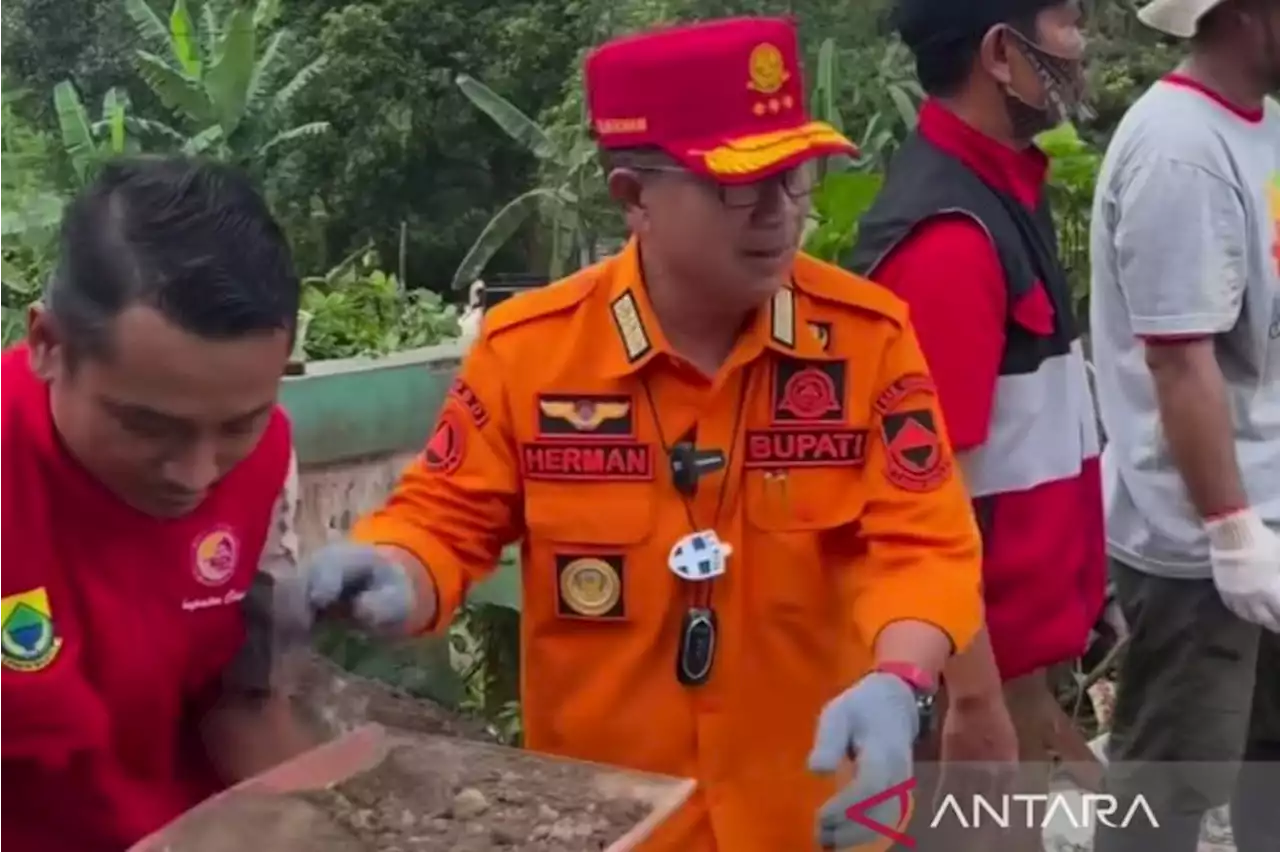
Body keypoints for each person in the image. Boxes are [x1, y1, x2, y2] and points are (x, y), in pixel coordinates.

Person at [288, 16, 984, 852]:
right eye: (739, 185)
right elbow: (444, 518)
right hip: (614, 825)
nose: (778, 214)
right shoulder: (533, 354)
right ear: (634, 195)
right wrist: (398, 569)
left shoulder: (865, 342)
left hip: (816, 815)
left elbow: (922, 543)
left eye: (795, 176)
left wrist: (899, 680)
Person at [0, 155, 313, 850]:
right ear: (48, 345)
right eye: (147, 425)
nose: (197, 474)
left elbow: (244, 703)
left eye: (239, 424)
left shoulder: (267, 466)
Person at [846, 1, 1103, 849]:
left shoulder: (999, 195)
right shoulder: (951, 239)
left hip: (1003, 663)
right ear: (1003, 53)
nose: (1080, 46)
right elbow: (929, 495)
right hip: (965, 677)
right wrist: (975, 701)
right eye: (1066, 23)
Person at [1089, 1, 1280, 850]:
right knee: (1170, 781)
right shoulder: (1180, 149)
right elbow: (1178, 357)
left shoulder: (1261, 126)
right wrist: (1233, 532)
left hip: (1267, 507)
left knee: (1267, 761)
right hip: (1203, 548)